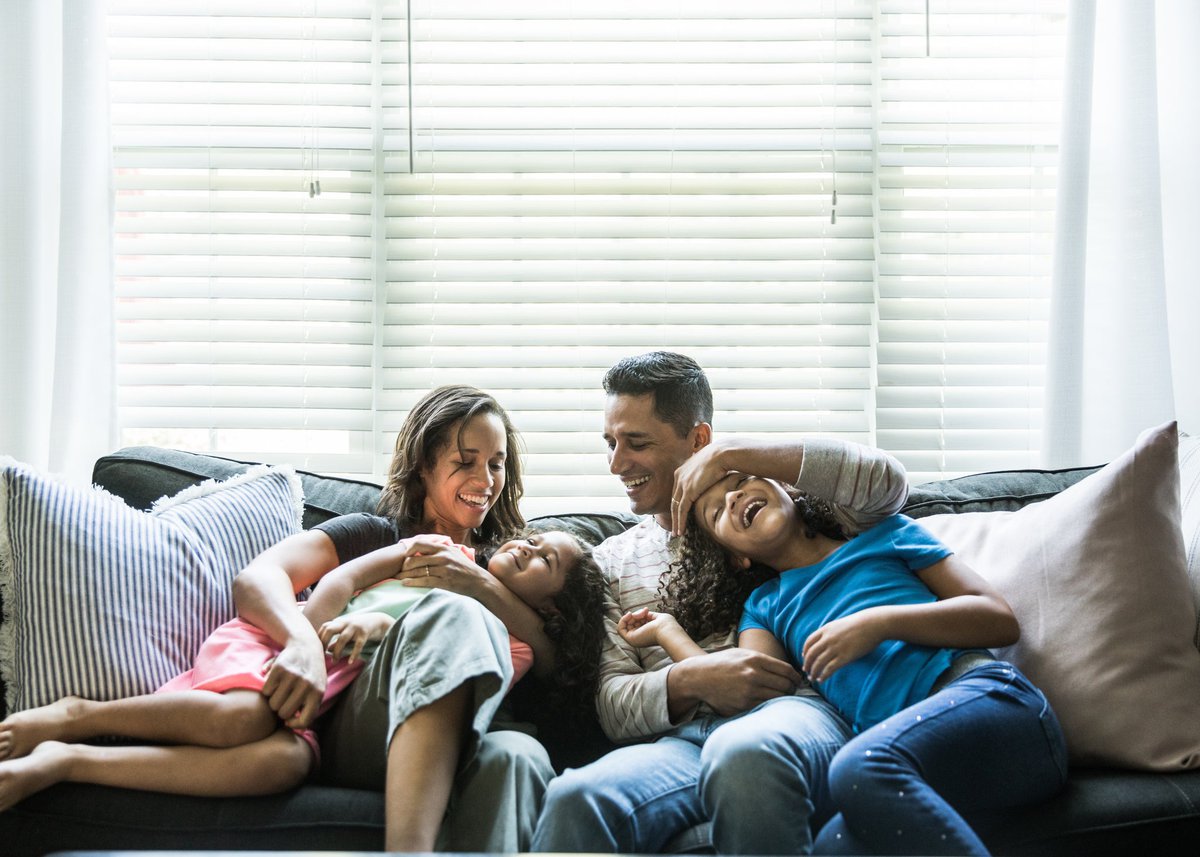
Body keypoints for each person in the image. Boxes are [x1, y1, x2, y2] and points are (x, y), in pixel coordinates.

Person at [0, 527, 606, 849]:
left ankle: (69, 759)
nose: (484, 479)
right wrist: (310, 639)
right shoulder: (426, 545)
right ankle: (77, 716)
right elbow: (328, 586)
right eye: (463, 458)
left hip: (331, 709)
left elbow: (546, 666)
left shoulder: (513, 636)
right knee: (240, 720)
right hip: (295, 659)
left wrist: (478, 594)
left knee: (278, 764)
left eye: (497, 464)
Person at [531, 352, 910, 855]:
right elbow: (611, 702)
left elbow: (886, 483)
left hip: (795, 716)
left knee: (746, 753)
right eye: (610, 443)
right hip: (685, 743)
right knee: (575, 796)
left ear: (698, 440)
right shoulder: (610, 563)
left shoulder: (766, 510)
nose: (617, 464)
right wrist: (693, 680)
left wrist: (733, 457)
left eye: (636, 443)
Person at [623, 436, 1069, 856]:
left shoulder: (882, 534)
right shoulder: (764, 607)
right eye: (717, 512)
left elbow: (998, 619)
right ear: (737, 557)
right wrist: (669, 632)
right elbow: (746, 688)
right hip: (915, 762)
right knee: (834, 845)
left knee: (858, 769)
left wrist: (878, 623)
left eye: (741, 482)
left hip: (995, 709)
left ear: (788, 489)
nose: (734, 498)